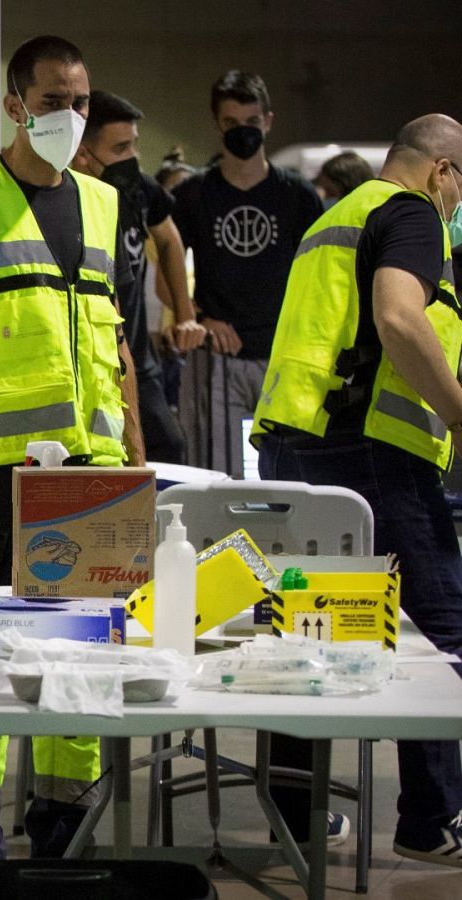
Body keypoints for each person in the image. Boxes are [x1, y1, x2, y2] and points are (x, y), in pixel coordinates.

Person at [0, 35, 146, 861]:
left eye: (81, 100)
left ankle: (64, 829)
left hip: (93, 479)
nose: (70, 115)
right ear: (15, 104)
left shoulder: (105, 201)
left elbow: (118, 351)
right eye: (53, 101)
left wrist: (134, 466)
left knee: (79, 666)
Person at [251, 114, 462, 866]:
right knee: (441, 631)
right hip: (370, 453)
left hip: (294, 445)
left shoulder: (334, 218)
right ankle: (432, 822)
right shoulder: (410, 213)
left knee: (307, 632)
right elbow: (399, 317)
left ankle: (295, 819)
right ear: (441, 172)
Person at [171, 70, 323, 476]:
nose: (244, 132)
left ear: (268, 121)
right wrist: (199, 318)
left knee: (291, 473)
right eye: (232, 123)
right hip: (219, 356)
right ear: (217, 124)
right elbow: (165, 273)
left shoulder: (297, 194)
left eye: (252, 123)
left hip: (283, 353)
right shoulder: (194, 194)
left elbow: (318, 276)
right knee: (220, 476)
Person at [72, 90, 206, 464]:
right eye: (120, 149)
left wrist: (185, 314)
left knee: (168, 448)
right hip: (87, 365)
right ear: (84, 152)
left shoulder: (139, 190)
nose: (132, 158)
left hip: (138, 361)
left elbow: (169, 241)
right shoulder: (66, 199)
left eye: (134, 146)